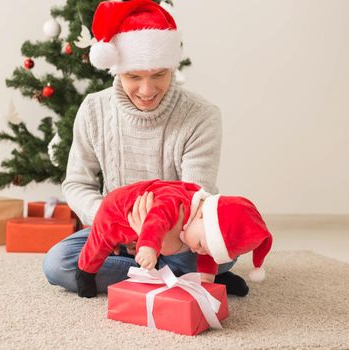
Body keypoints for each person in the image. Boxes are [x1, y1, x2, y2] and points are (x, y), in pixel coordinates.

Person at [43, 0, 248, 296]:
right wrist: (109, 219)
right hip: (115, 232)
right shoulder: (93, 110)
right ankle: (192, 278)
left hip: (179, 236)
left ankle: (170, 272)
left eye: (158, 75)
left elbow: (197, 192)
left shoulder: (201, 115)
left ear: (172, 67)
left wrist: (160, 236)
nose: (147, 90)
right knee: (57, 264)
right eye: (134, 76)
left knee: (225, 245)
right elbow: (77, 183)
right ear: (117, 70)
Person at [75, 179, 273, 298]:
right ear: (202, 216)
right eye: (203, 244)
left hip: (170, 241)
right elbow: (155, 221)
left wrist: (206, 284)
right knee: (94, 247)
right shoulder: (174, 202)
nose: (201, 250)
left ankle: (206, 278)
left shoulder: (202, 223)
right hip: (119, 217)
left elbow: (205, 251)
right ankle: (85, 273)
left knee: (200, 252)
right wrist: (148, 247)